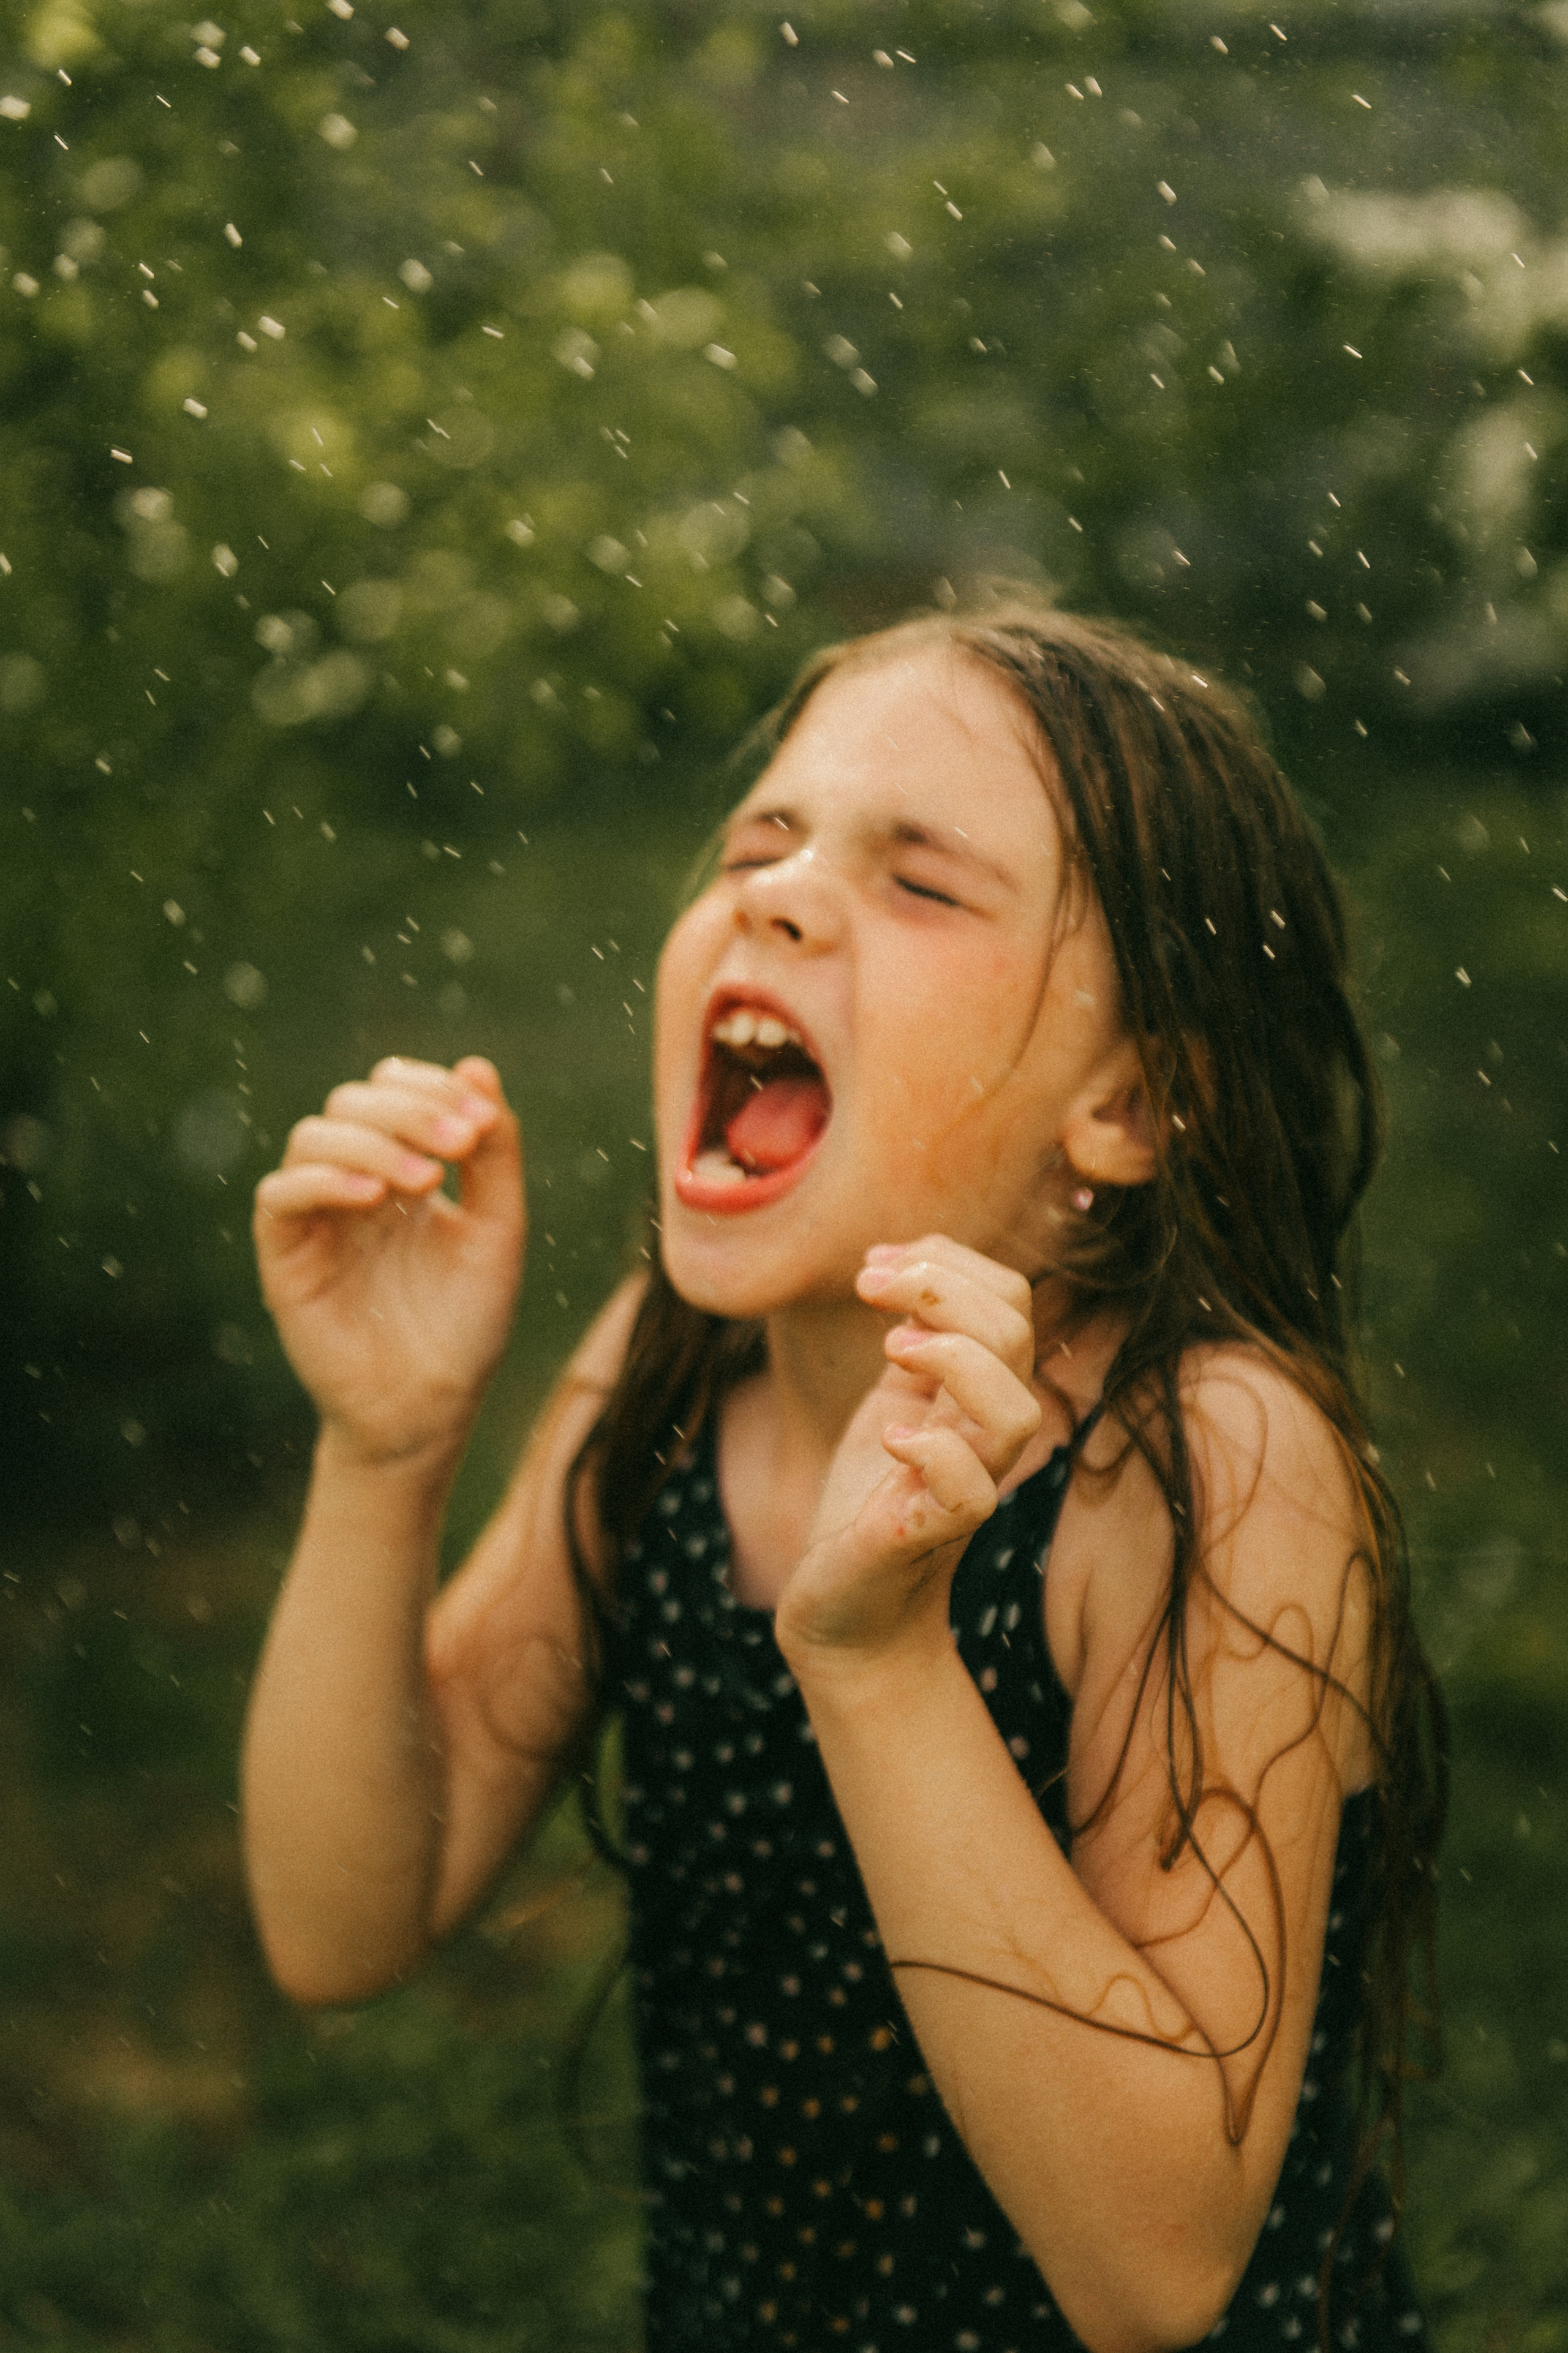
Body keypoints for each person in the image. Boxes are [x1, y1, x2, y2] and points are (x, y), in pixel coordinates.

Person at [243, 599, 1446, 2353]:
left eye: (921, 880)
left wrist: (883, 1662)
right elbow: (343, 1916)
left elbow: (1157, 2262)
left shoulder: (1205, 1464)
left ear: (1125, 1103)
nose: (780, 892)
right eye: (764, 838)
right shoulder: (667, 1369)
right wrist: (386, 1445)